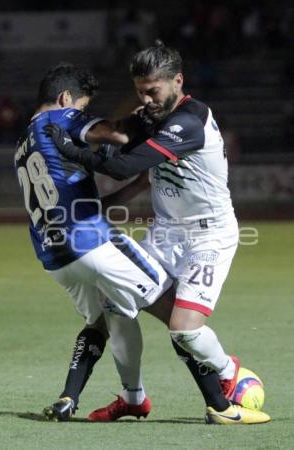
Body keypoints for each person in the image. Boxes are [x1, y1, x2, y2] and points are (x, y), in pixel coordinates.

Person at [46, 43, 270, 425]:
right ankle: (134, 399)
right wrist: (111, 201)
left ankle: (229, 372)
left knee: (183, 328)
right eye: (140, 91)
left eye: (154, 90)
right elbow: (148, 174)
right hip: (166, 233)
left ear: (177, 82)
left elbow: (125, 164)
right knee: (115, 297)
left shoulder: (190, 122)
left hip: (208, 238)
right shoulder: (153, 116)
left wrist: (72, 149)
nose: (146, 99)